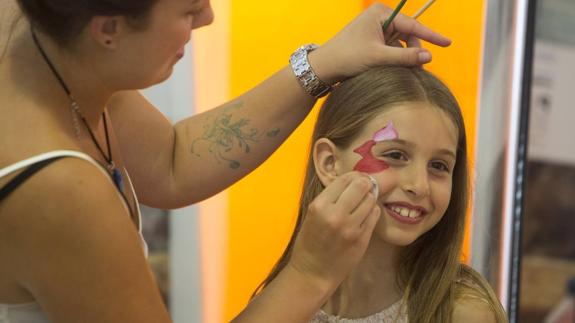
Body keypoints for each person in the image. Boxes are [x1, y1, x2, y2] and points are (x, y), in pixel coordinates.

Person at [0, 0, 452, 321]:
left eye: (439, 165)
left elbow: (170, 161)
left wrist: (323, 63)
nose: (209, 17)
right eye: (189, 9)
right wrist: (308, 273)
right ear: (108, 29)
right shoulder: (59, 193)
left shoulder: (44, 36)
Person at [254, 66, 509, 322]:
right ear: (329, 162)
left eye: (439, 166)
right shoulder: (280, 302)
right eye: (395, 155)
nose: (419, 186)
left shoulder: (463, 313)